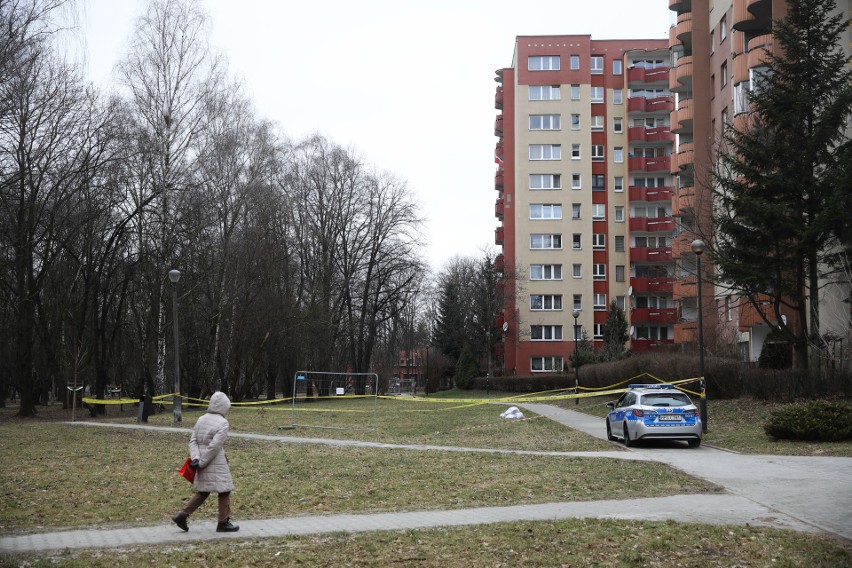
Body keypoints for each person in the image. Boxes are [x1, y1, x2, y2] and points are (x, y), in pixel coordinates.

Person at [172, 391, 239, 532]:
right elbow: (215, 446)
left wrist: (196, 458)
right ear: (224, 407)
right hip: (215, 462)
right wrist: (202, 461)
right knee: (225, 491)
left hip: (201, 460)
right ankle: (223, 523)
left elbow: (193, 441)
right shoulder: (223, 423)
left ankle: (182, 516)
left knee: (203, 491)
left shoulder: (201, 419)